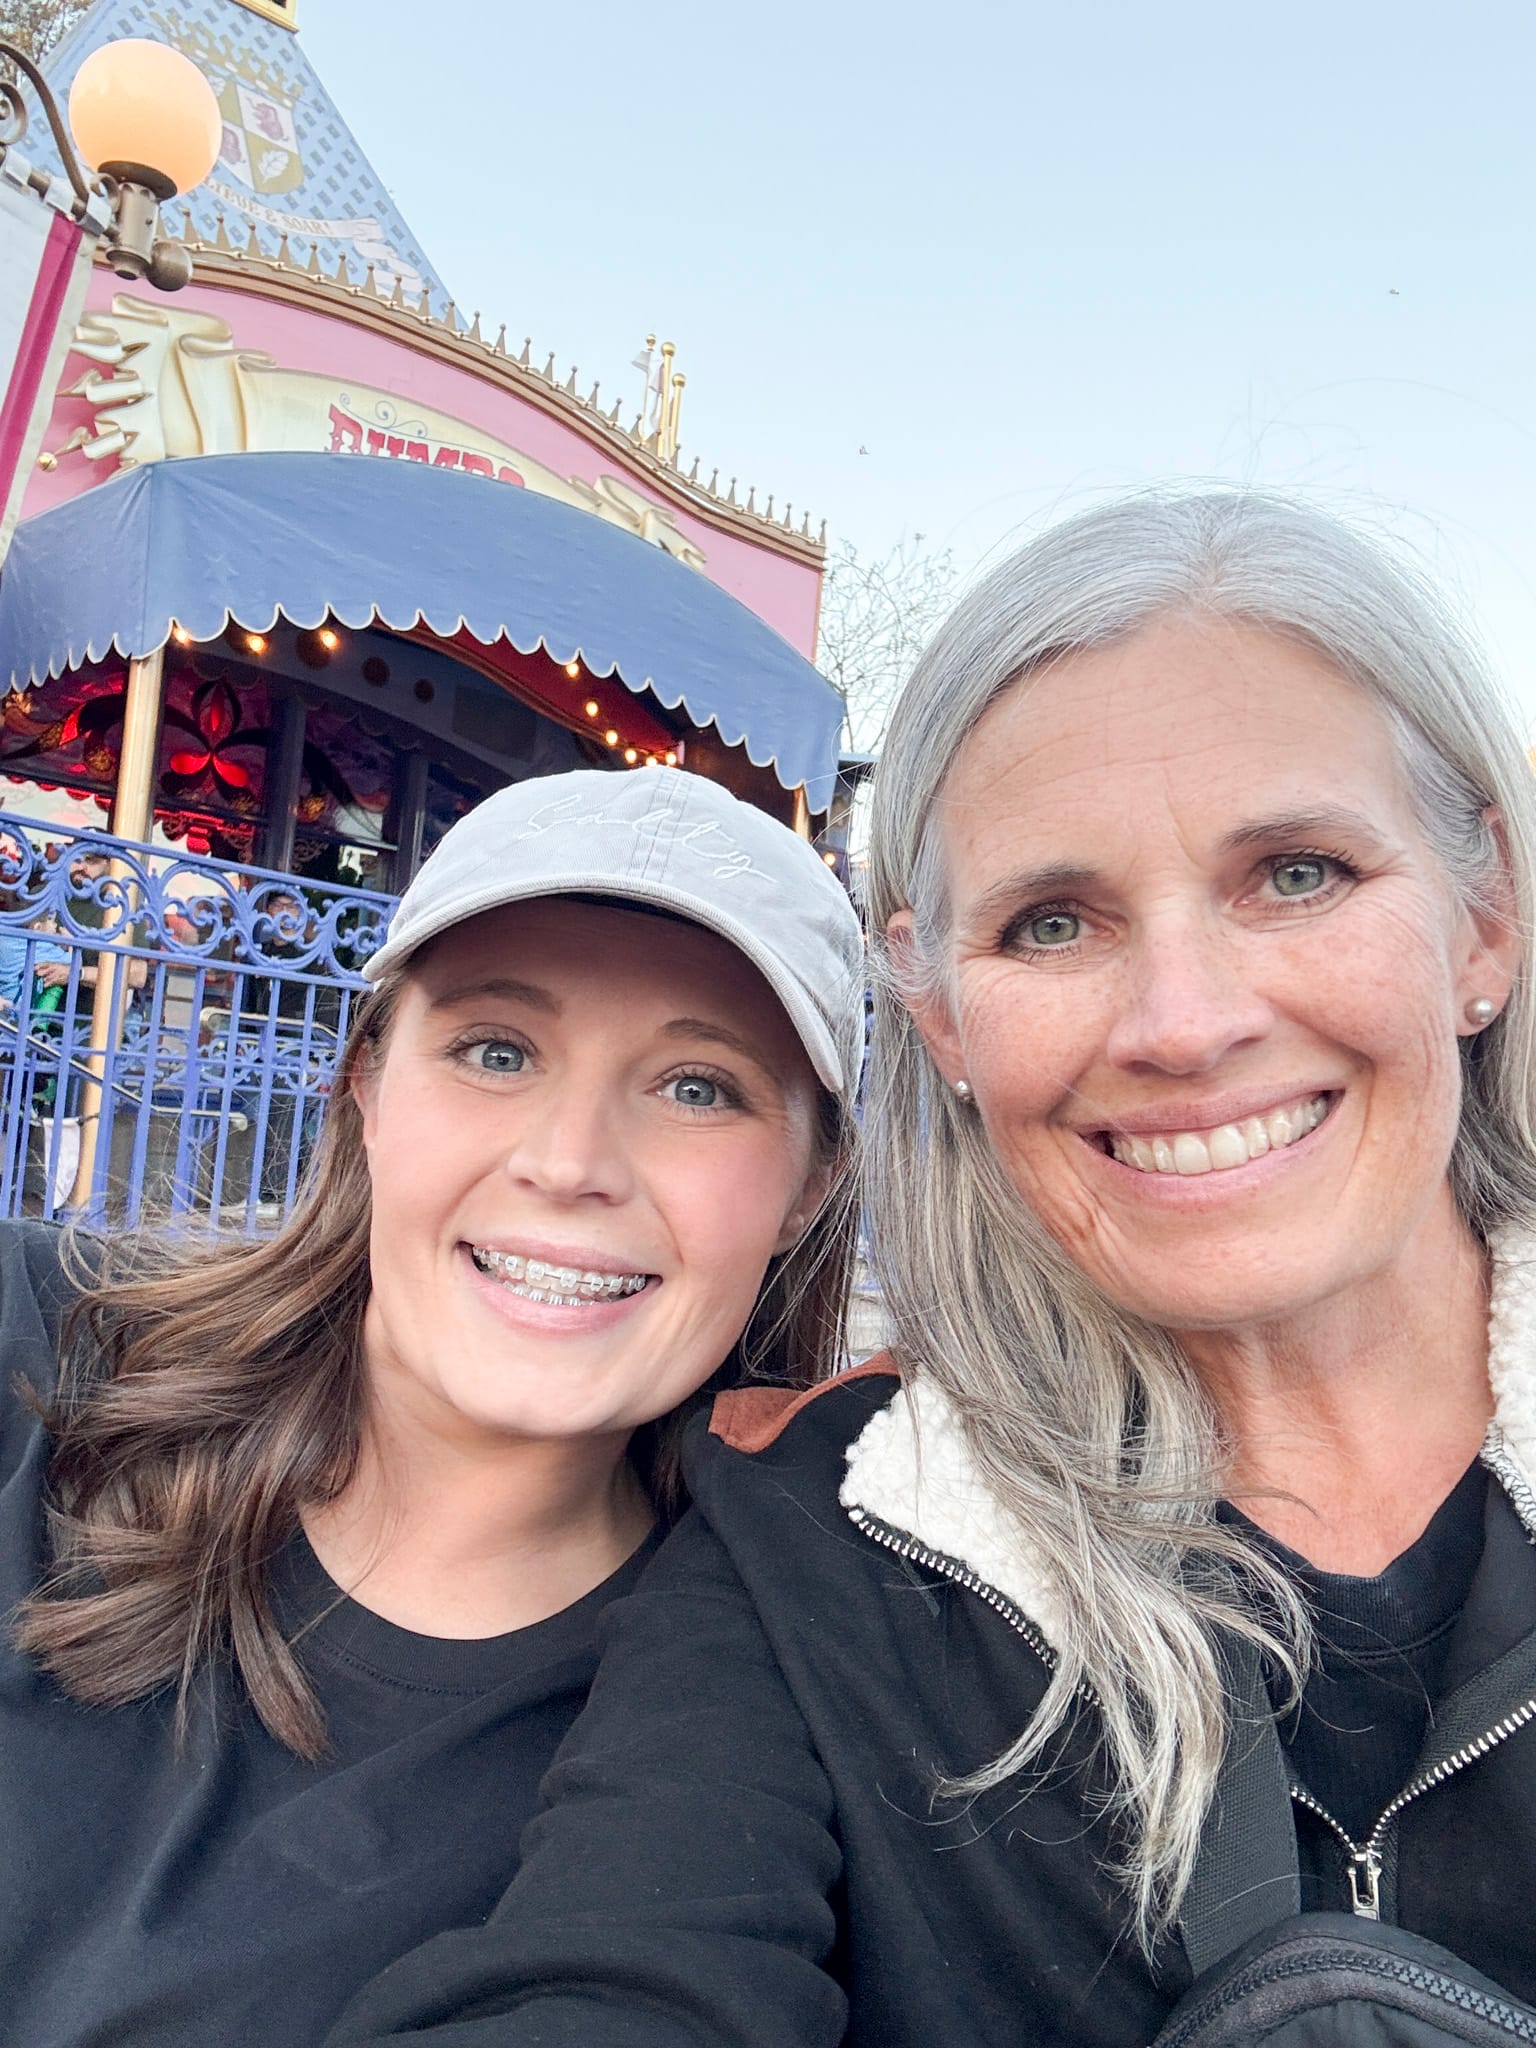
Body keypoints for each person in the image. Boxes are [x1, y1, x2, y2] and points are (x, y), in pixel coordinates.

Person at [329, 493, 1536, 2047]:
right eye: (1053, 923)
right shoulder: (823, 1531)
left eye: (1297, 874)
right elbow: (621, 1963)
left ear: (1484, 919)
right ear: (944, 1020)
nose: (1182, 1022)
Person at [0, 765, 863, 2047]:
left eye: (698, 1086)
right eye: (495, 1051)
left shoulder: (761, 1731)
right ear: (367, 1084)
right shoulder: (35, 1345)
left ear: (809, 1184)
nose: (568, 1161)